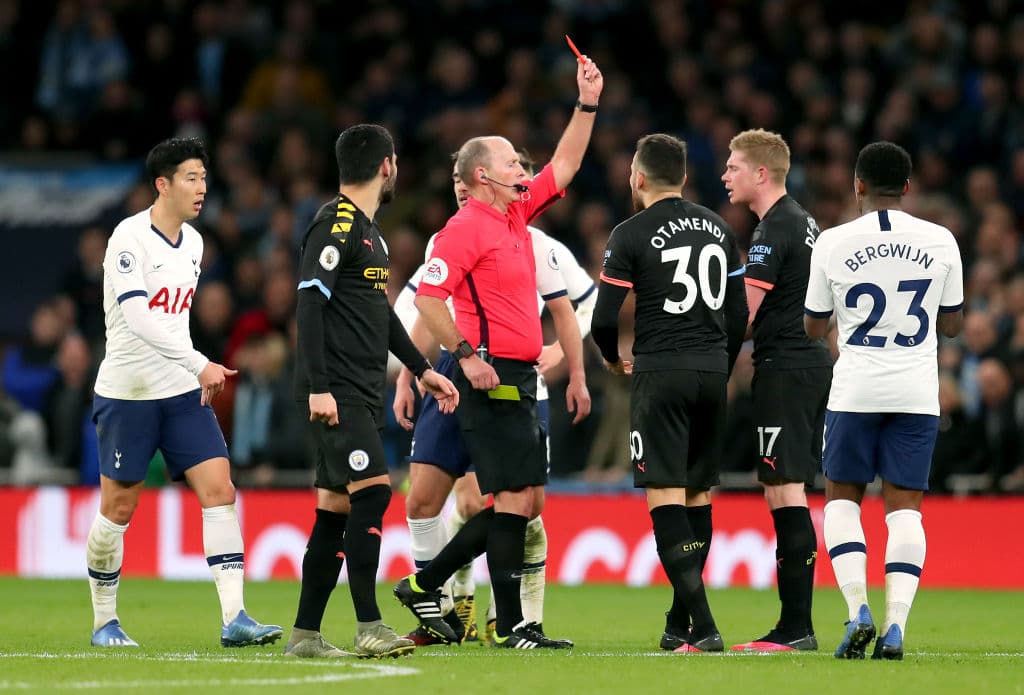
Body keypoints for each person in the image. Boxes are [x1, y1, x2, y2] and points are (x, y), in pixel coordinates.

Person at [392, 54, 601, 651]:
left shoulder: (515, 215)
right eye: (511, 161)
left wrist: (586, 103)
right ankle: (507, 625)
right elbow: (429, 300)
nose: (521, 167)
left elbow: (564, 165)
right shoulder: (462, 230)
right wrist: (466, 354)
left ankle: (427, 582)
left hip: (512, 371)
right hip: (486, 374)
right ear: (482, 175)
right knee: (511, 498)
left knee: (525, 501)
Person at [87, 137, 282, 648]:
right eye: (191, 178)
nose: (201, 188)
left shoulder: (194, 243)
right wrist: (200, 363)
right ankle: (105, 621)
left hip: (178, 390)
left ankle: (235, 617)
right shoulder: (128, 238)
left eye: (203, 177)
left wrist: (190, 369)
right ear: (163, 184)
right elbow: (138, 317)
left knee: (220, 490)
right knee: (119, 508)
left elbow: (174, 321)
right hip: (129, 391)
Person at [283, 124, 459, 660]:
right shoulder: (335, 224)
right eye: (396, 161)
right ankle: (369, 625)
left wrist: (421, 368)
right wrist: (318, 387)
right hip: (335, 389)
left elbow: (378, 313)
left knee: (334, 510)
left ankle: (305, 637)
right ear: (386, 165)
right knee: (376, 492)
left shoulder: (370, 233)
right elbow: (309, 303)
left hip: (356, 387)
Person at [804, 142, 964, 660]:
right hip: (917, 392)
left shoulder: (832, 241)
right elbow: (954, 324)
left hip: (855, 390)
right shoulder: (941, 240)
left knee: (842, 499)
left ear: (857, 186)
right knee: (905, 510)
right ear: (908, 188)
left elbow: (812, 324)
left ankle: (858, 612)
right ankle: (896, 626)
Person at [591, 133, 748, 653]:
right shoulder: (720, 228)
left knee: (664, 495)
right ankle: (678, 622)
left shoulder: (630, 232)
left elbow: (604, 318)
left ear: (637, 178)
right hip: (710, 372)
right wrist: (719, 365)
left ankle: (703, 626)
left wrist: (613, 359)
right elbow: (740, 315)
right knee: (699, 493)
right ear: (682, 177)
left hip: (660, 373)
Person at [721, 129, 832, 652]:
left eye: (734, 165)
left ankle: (796, 628)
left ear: (761, 174)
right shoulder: (803, 221)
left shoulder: (773, 228)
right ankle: (795, 625)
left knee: (785, 490)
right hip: (804, 364)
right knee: (784, 488)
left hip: (785, 368)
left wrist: (689, 339)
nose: (726, 174)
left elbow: (745, 313)